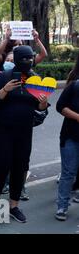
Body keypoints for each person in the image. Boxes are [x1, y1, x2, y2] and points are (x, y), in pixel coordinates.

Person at [0, 45, 49, 224]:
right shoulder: (2, 77)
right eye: (24, 58)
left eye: (30, 58)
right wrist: (5, 89)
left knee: (20, 168)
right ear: (16, 59)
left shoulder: (35, 79)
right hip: (3, 131)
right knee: (2, 167)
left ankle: (13, 206)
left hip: (24, 131)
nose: (27, 62)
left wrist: (43, 103)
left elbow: (40, 108)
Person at [55, 53, 79, 221]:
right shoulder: (75, 86)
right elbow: (60, 106)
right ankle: (62, 206)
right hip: (71, 136)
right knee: (68, 172)